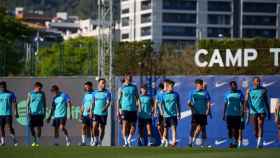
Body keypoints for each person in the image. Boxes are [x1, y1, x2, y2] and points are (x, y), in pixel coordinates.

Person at [245, 77, 270, 148]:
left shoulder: (264, 90)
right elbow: (246, 101)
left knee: (260, 126)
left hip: (261, 111)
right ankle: (258, 140)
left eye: (259, 81)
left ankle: (259, 144)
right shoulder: (249, 90)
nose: (259, 82)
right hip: (253, 112)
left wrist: (268, 112)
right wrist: (247, 112)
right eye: (257, 81)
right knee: (255, 129)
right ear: (254, 82)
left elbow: (266, 102)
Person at [117, 74, 140, 147]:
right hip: (125, 109)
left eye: (131, 78)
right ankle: (125, 141)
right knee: (125, 125)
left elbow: (137, 98)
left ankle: (129, 139)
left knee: (133, 125)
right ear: (125, 78)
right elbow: (118, 100)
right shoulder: (122, 87)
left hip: (133, 109)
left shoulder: (134, 87)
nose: (130, 79)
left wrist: (139, 107)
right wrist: (118, 110)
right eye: (128, 78)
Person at [188, 79, 211, 147]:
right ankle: (190, 142)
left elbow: (208, 102)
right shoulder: (192, 92)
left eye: (200, 85)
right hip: (195, 113)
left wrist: (207, 110)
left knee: (202, 128)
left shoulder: (205, 92)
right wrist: (190, 105)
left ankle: (202, 143)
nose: (199, 86)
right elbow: (189, 102)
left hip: (203, 113)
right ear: (196, 85)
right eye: (198, 85)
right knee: (193, 127)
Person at [223, 81, 245, 148]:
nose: (234, 86)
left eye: (235, 85)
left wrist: (242, 112)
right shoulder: (227, 94)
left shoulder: (240, 93)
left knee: (236, 129)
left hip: (237, 115)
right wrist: (224, 114)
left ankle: (235, 142)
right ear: (230, 86)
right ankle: (231, 142)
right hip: (229, 114)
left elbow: (243, 103)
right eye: (232, 85)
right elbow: (225, 104)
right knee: (230, 129)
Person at [160, 79, 180, 147]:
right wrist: (162, 111)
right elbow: (161, 104)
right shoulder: (163, 95)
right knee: (165, 130)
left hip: (173, 114)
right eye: (171, 86)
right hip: (166, 115)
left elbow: (178, 104)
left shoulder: (176, 94)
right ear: (168, 87)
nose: (172, 87)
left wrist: (179, 113)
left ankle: (174, 141)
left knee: (173, 128)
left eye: (173, 86)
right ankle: (163, 142)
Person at [92, 78, 111, 146]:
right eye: (102, 83)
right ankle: (96, 140)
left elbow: (108, 102)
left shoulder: (107, 93)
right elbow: (93, 103)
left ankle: (100, 141)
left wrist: (105, 108)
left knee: (102, 128)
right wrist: (91, 111)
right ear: (99, 84)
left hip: (103, 113)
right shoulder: (94, 92)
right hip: (96, 113)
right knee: (94, 127)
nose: (104, 84)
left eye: (104, 83)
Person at [26, 82, 46, 147]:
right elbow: (27, 104)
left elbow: (44, 104)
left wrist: (44, 112)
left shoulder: (42, 94)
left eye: (41, 88)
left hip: (40, 113)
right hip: (32, 113)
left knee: (39, 127)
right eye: (39, 88)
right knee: (31, 127)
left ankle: (37, 141)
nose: (40, 89)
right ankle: (34, 138)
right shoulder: (30, 93)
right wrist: (28, 111)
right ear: (35, 87)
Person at [0, 81, 18, 146]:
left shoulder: (11, 93)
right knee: (1, 128)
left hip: (8, 114)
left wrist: (16, 111)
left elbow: (14, 103)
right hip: (0, 114)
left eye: (3, 86)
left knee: (10, 128)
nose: (2, 88)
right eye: (1, 87)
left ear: (6, 86)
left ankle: (15, 140)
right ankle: (3, 142)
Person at [80, 81, 94, 146]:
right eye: (85, 87)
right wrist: (81, 113)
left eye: (87, 86)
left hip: (92, 114)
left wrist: (91, 110)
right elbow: (83, 104)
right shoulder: (85, 95)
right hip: (85, 114)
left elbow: (94, 103)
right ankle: (83, 141)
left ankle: (92, 141)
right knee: (83, 127)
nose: (86, 88)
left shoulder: (94, 94)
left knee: (91, 128)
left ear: (91, 86)